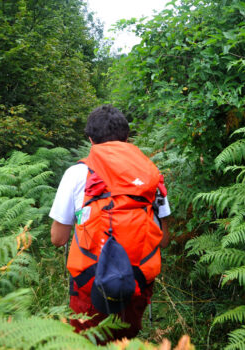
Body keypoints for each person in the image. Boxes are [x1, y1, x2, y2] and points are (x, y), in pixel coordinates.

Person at [49, 105, 171, 342]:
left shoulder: (76, 174)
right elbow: (164, 240)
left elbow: (58, 239)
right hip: (137, 281)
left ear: (90, 139)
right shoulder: (150, 174)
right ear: (127, 138)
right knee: (125, 342)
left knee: (87, 343)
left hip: (90, 280)